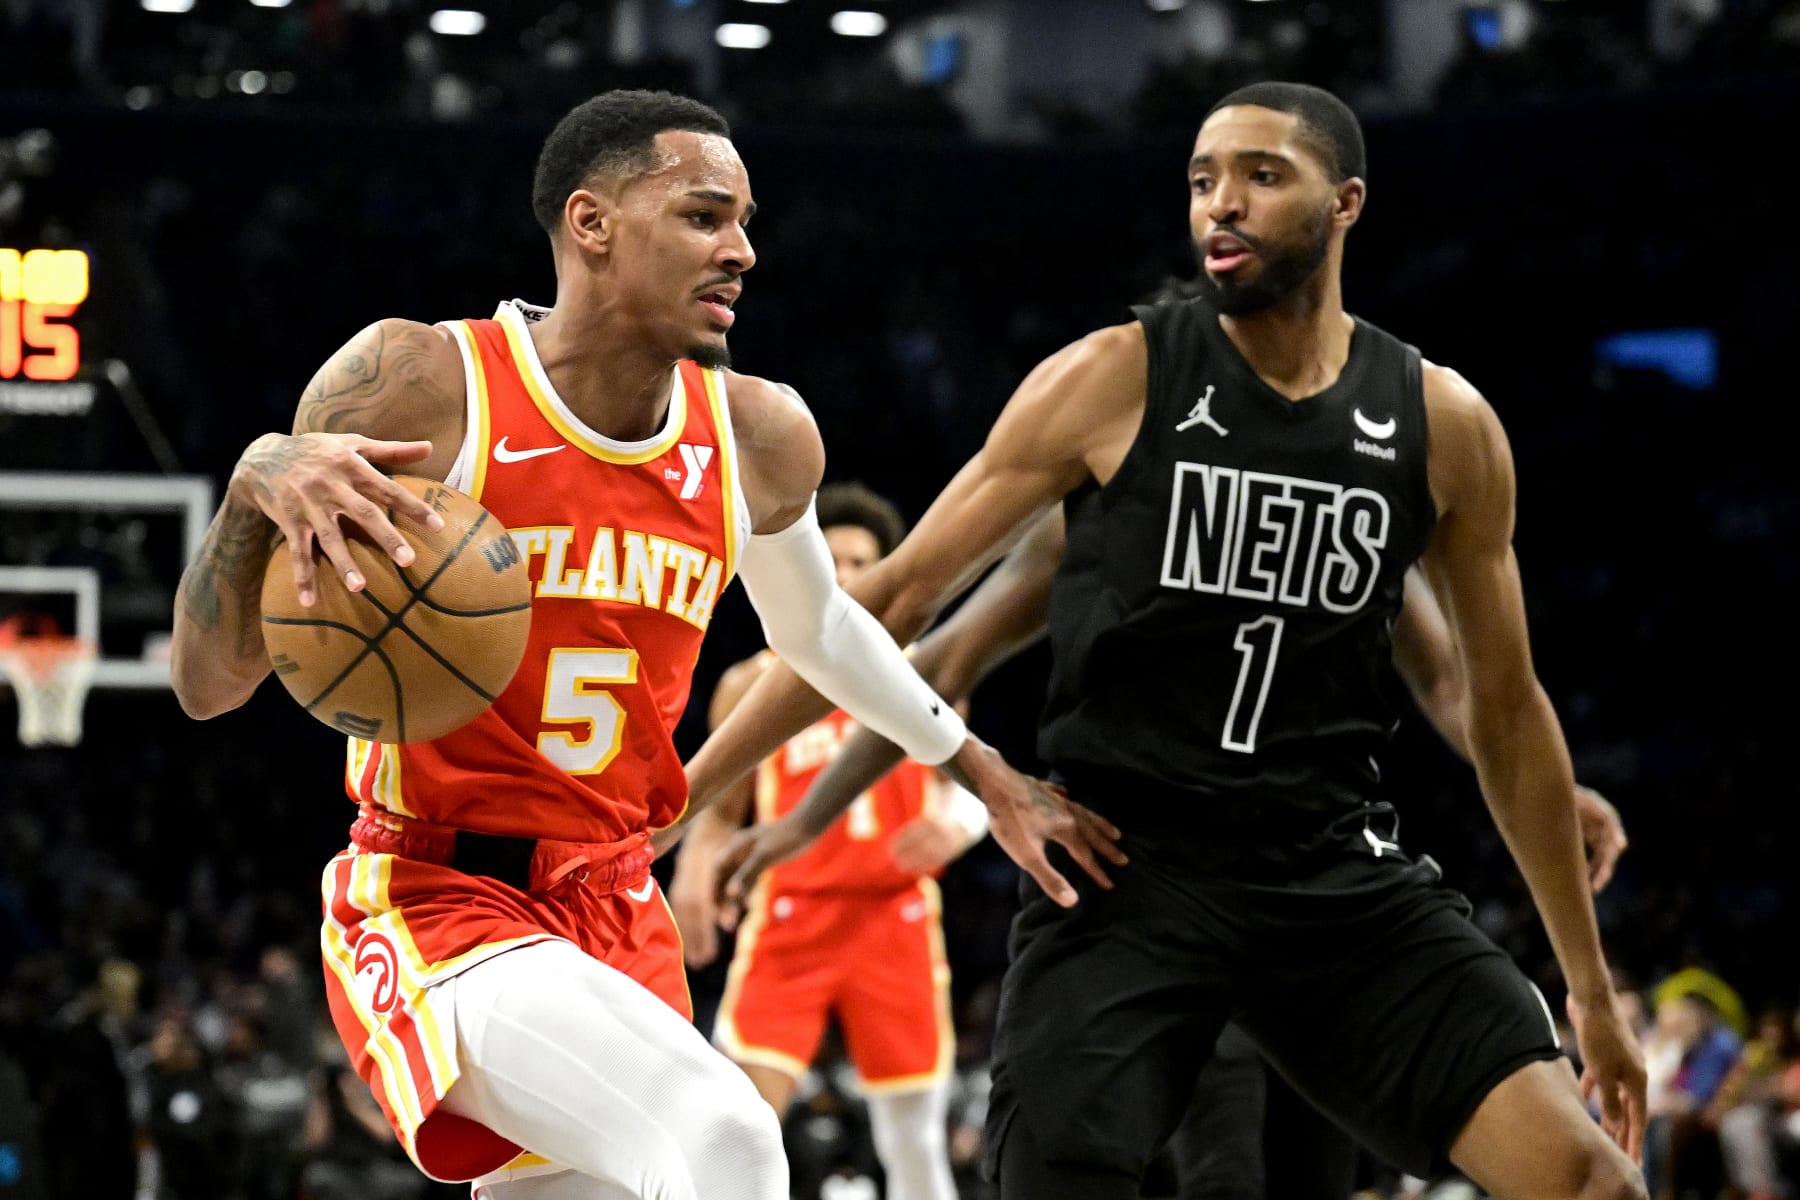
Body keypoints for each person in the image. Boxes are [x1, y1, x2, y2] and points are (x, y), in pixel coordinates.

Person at [678, 81, 1649, 1199]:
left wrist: (1591, 988)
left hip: (1331, 873)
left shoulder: (1445, 426)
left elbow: (1496, 703)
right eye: (1201, 180)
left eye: (1261, 176)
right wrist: (687, 797)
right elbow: (894, 611)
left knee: (1593, 1182)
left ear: (1346, 203)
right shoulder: (1113, 381)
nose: (1220, 203)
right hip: (1125, 874)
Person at [167, 89, 1115, 1200]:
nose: (742, 251)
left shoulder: (757, 436)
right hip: (442, 896)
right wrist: (255, 485)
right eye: (704, 217)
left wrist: (981, 770)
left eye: (746, 222)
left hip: (618, 905)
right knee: (727, 1136)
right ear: (592, 223)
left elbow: (821, 631)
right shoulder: (424, 385)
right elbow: (206, 684)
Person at [710, 506, 1630, 1199]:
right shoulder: (1108, 434)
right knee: (1190, 1176)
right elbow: (927, 646)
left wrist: (1554, 801)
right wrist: (783, 823)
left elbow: (1457, 684)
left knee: (1577, 1177)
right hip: (1135, 892)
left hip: (1328, 894)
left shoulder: (1403, 431)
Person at [668, 482, 988, 1200]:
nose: (843, 575)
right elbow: (722, 808)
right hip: (793, 914)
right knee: (740, 1120)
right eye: (831, 559)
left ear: (883, 571)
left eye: (860, 562)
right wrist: (692, 871)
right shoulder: (751, 681)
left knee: (913, 1138)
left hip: (894, 914)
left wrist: (956, 827)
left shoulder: (921, 666)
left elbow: (972, 783)